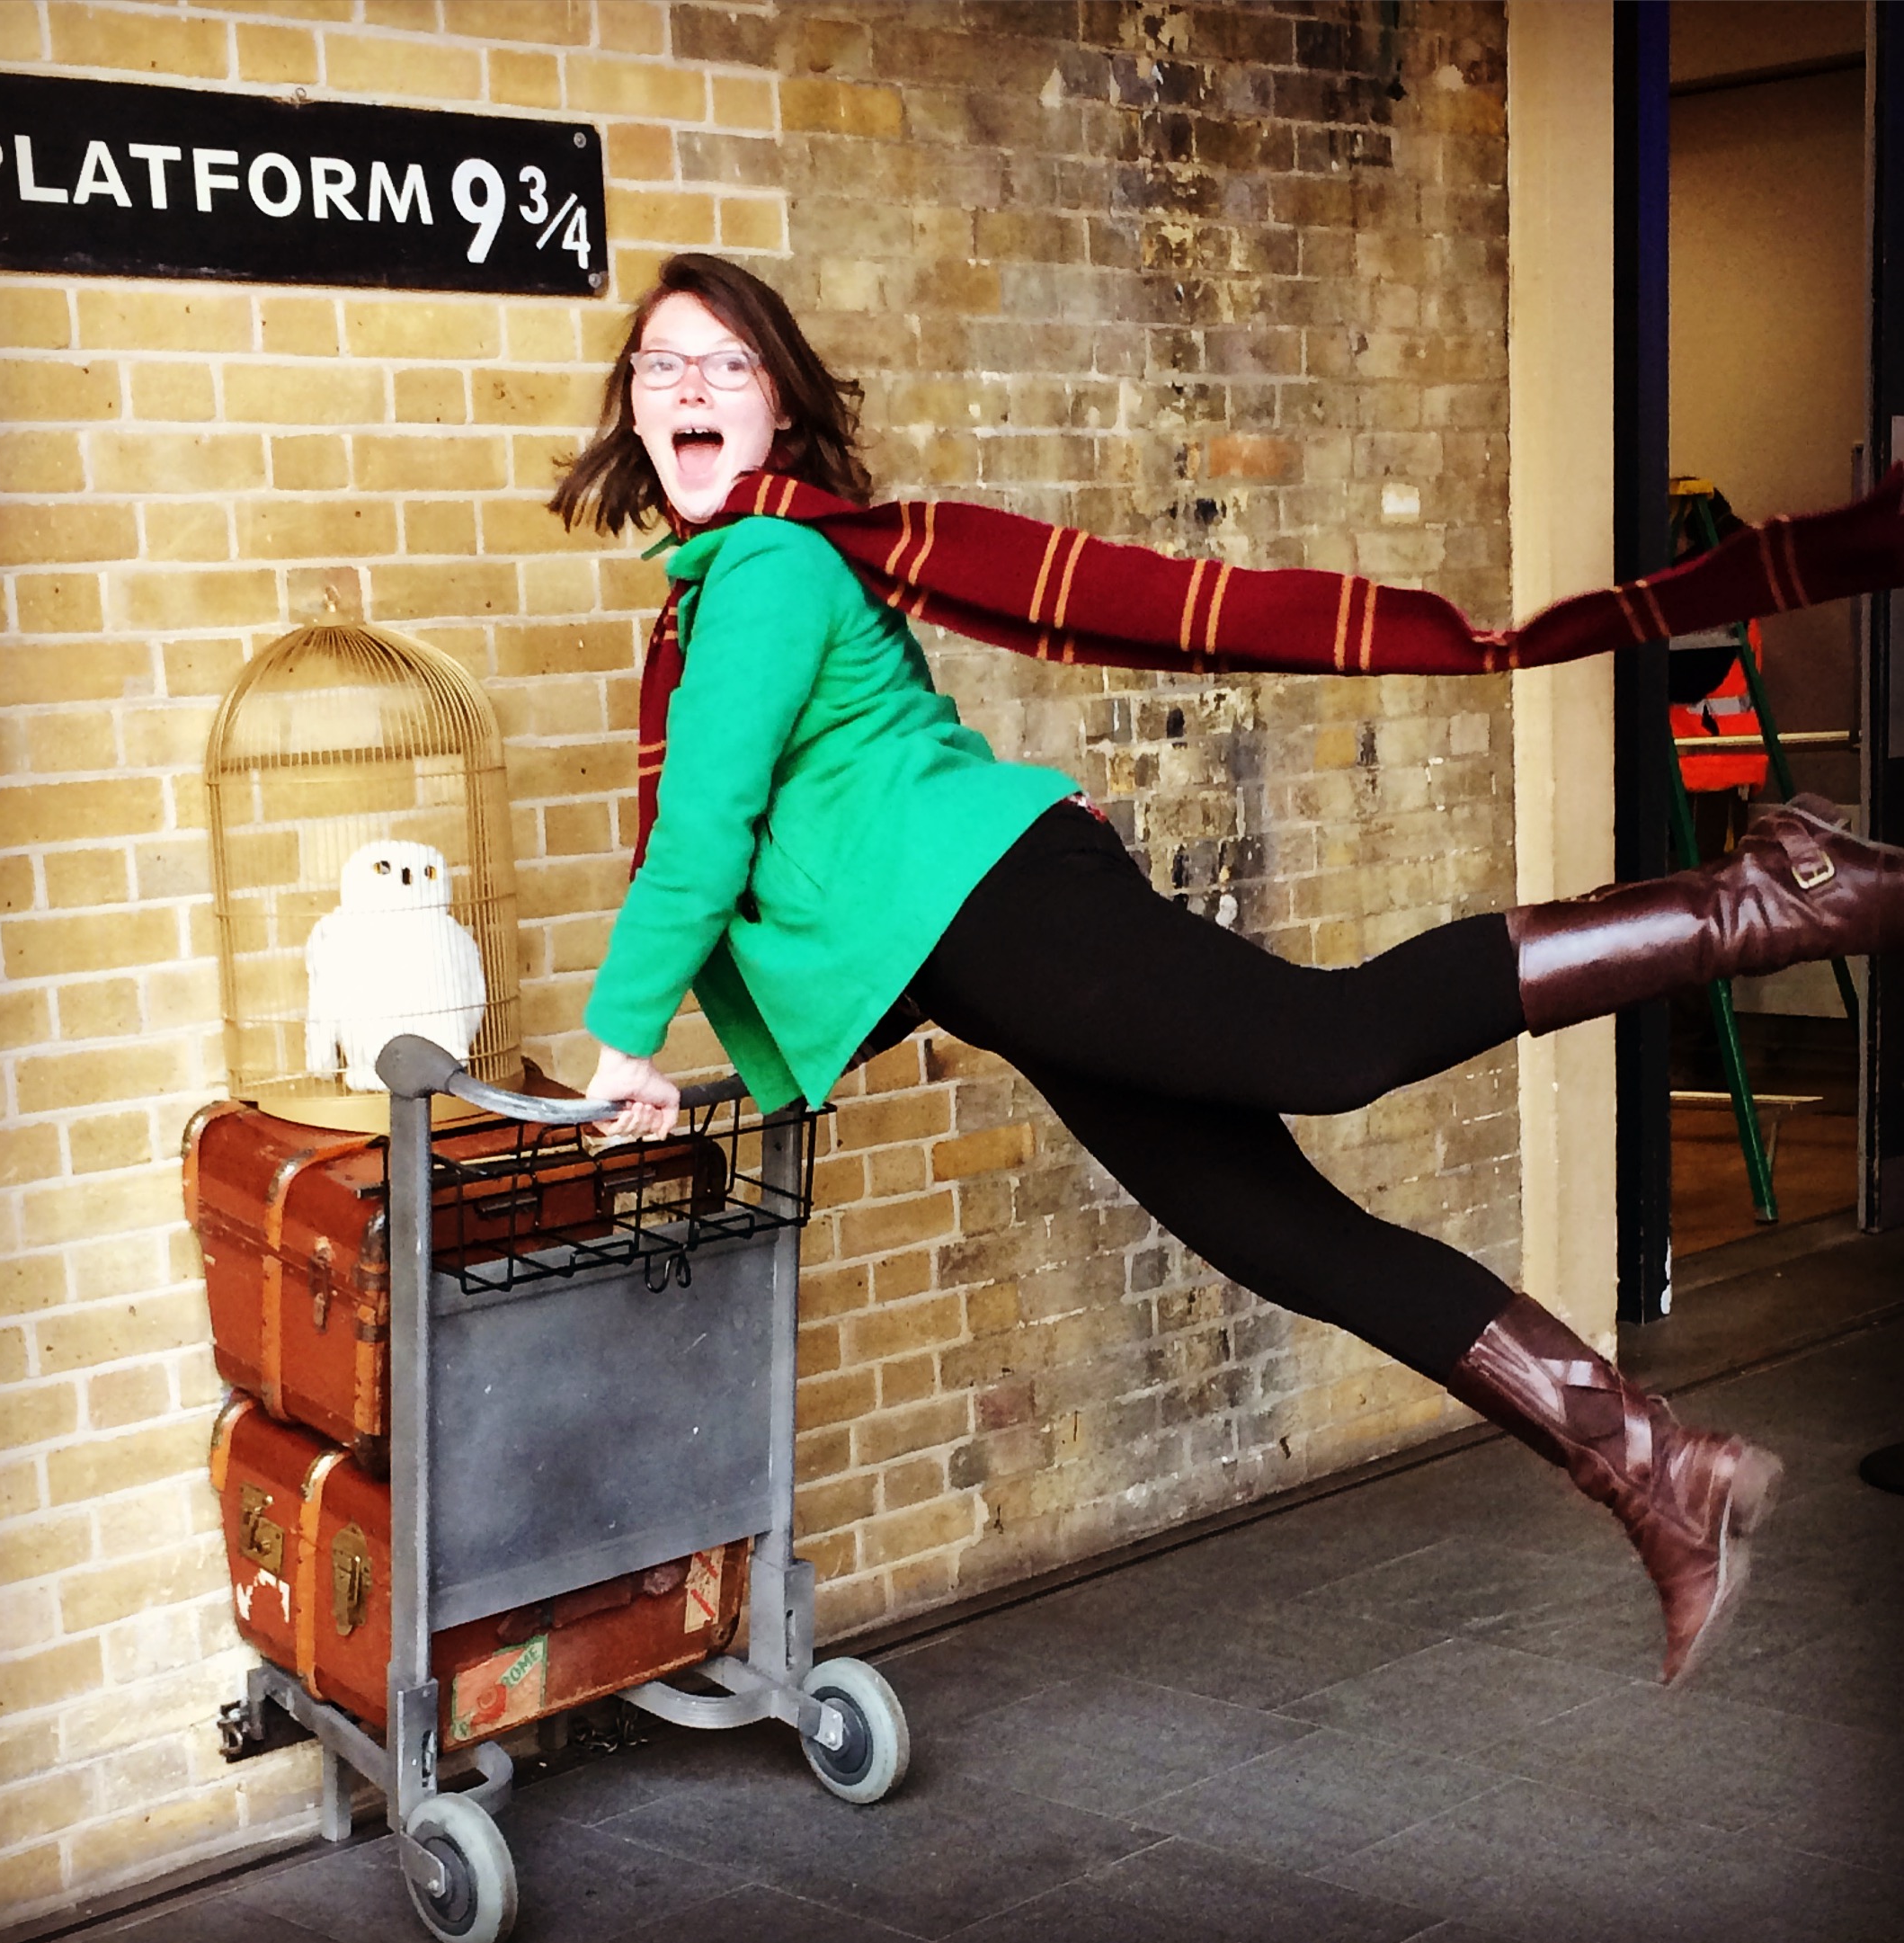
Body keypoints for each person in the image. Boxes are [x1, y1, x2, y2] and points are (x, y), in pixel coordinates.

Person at [551, 252, 1904, 1686]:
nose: (692, 387)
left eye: (730, 365)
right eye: (662, 365)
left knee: (1334, 1046)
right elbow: (858, 800)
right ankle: (1658, 1471)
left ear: (778, 409)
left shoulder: (764, 566)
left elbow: (705, 834)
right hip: (991, 941)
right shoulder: (739, 578)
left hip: (1010, 915)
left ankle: (1765, 895)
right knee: (1283, 1239)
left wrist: (624, 1041)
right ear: (633, 407)